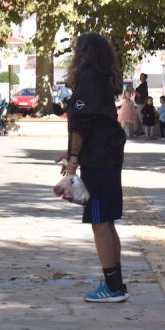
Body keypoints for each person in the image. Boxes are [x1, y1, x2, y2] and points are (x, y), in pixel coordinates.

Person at [57, 32, 129, 303]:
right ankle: (115, 283)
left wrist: (74, 158)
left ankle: (112, 288)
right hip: (107, 154)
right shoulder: (103, 78)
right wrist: (72, 150)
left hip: (98, 159)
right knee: (107, 221)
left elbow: (82, 122)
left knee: (99, 221)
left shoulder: (88, 77)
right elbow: (95, 120)